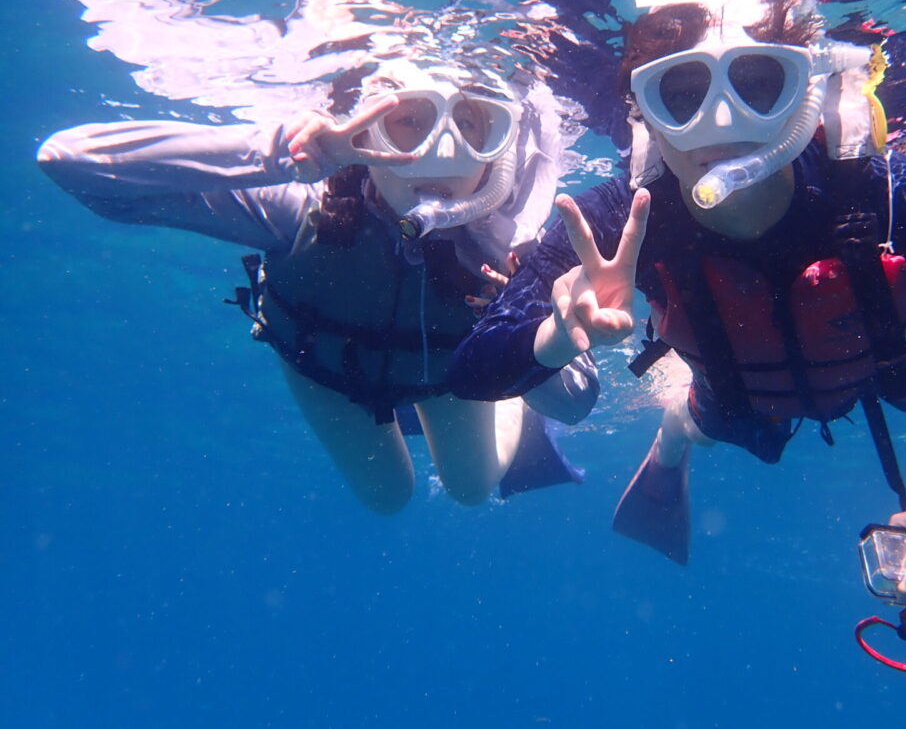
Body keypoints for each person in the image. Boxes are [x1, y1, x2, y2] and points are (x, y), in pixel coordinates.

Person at [449, 0, 906, 621]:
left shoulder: (890, 193)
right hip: (740, 393)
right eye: (682, 94)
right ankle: (671, 439)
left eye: (759, 84)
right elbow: (473, 371)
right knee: (706, 418)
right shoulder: (618, 221)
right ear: (644, 112)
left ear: (805, 92)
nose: (723, 121)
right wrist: (552, 340)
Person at [39, 55, 599, 513]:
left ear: (498, 154)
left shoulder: (513, 248)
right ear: (366, 134)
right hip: (326, 366)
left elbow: (575, 405)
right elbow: (69, 162)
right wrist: (279, 154)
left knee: (470, 489)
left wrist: (536, 340)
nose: (441, 152)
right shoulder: (301, 207)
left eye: (472, 127)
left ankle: (518, 410)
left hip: (447, 373)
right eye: (409, 121)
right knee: (386, 497)